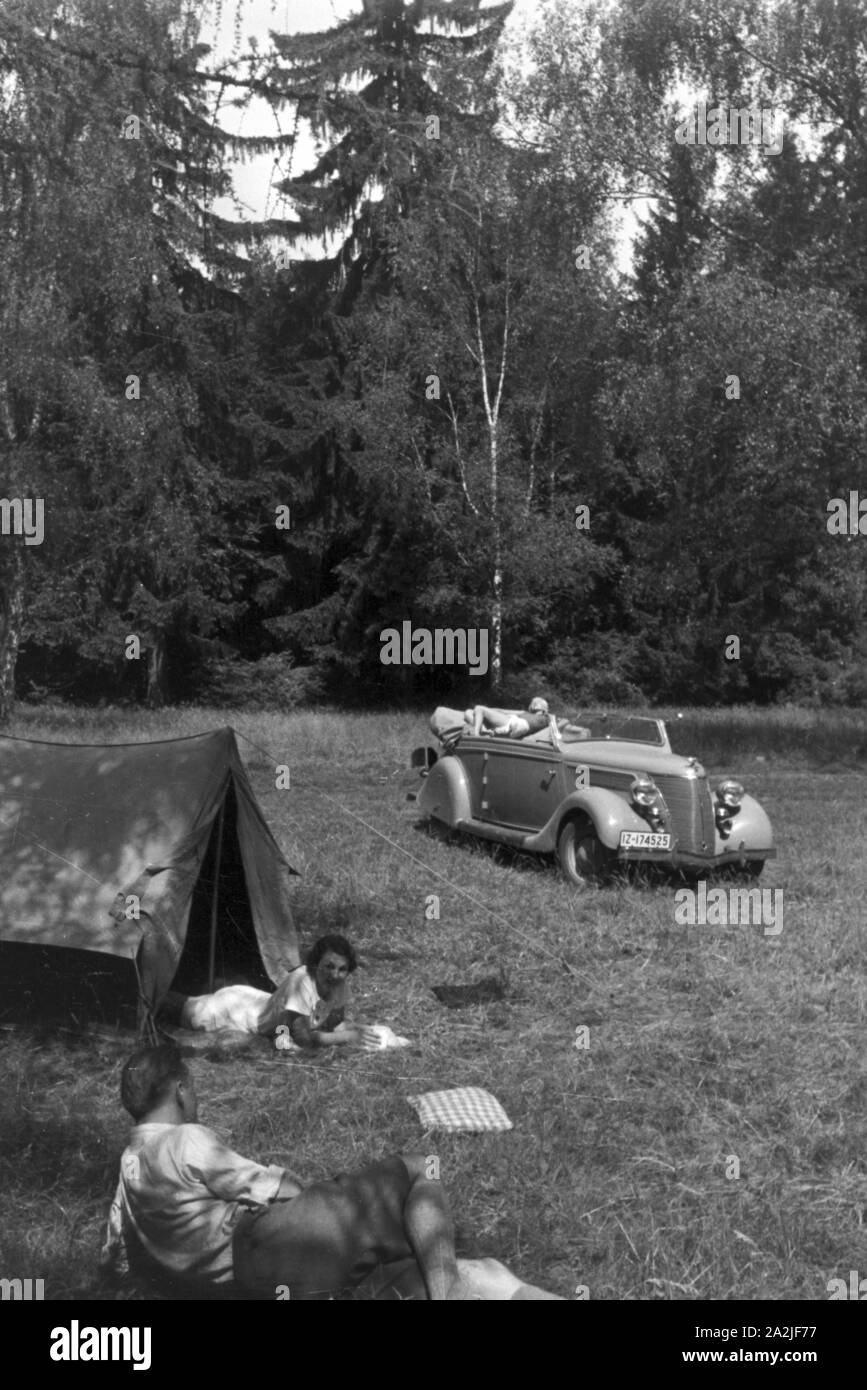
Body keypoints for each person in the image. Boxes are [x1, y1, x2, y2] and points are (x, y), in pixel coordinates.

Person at [100, 1044, 564, 1300]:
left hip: (225, 1284)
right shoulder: (184, 1139)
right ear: (181, 1091)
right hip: (260, 1252)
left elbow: (116, 1251)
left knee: (454, 1269)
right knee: (421, 1168)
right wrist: (321, 1203)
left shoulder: (129, 1164)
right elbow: (272, 1187)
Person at [256, 933, 379, 1050]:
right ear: (315, 963)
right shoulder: (301, 980)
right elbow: (303, 1038)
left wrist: (360, 1030)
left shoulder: (340, 984)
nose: (335, 975)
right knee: (290, 1048)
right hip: (255, 1021)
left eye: (342, 969)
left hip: (269, 1007)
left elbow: (333, 1025)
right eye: (329, 966)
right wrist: (348, 1036)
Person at [468, 696, 550, 739]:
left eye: (532, 703)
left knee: (479, 708)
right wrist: (489, 711)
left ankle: (476, 736)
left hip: (513, 725)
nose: (530, 706)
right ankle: (484, 731)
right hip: (509, 723)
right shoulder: (525, 713)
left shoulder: (546, 717)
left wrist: (484, 710)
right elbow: (503, 711)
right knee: (468, 713)